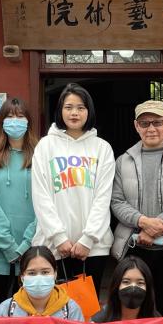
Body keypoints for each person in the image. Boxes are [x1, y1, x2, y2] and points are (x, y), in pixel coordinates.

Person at [111, 99, 163, 317]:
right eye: (145, 123)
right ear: (136, 126)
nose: (151, 129)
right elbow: (117, 201)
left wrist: (153, 229)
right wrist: (142, 222)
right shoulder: (123, 161)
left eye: (157, 122)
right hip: (133, 247)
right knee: (134, 310)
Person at [30, 84, 115, 295]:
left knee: (87, 308)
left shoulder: (102, 148)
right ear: (60, 110)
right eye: (68, 107)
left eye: (80, 107)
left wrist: (88, 239)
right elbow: (41, 196)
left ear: (89, 111)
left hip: (93, 248)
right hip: (53, 245)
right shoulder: (45, 146)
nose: (74, 113)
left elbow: (103, 198)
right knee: (56, 307)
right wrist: (59, 237)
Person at [0, 97, 38, 306]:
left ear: (28, 121)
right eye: (10, 116)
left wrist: (26, 243)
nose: (15, 121)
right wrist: (9, 246)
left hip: (34, 248)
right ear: (1, 122)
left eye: (20, 116)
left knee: (33, 309)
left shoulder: (40, 156)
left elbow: (48, 203)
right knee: (4, 308)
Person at [0, 246, 85, 320]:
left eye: (45, 272)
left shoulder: (71, 309)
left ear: (55, 274)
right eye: (31, 273)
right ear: (22, 277)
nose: (39, 278)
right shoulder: (6, 310)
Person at [91, 256, 163, 322]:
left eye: (140, 283)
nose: (133, 287)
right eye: (126, 282)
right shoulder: (99, 321)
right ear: (116, 285)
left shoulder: (157, 322)